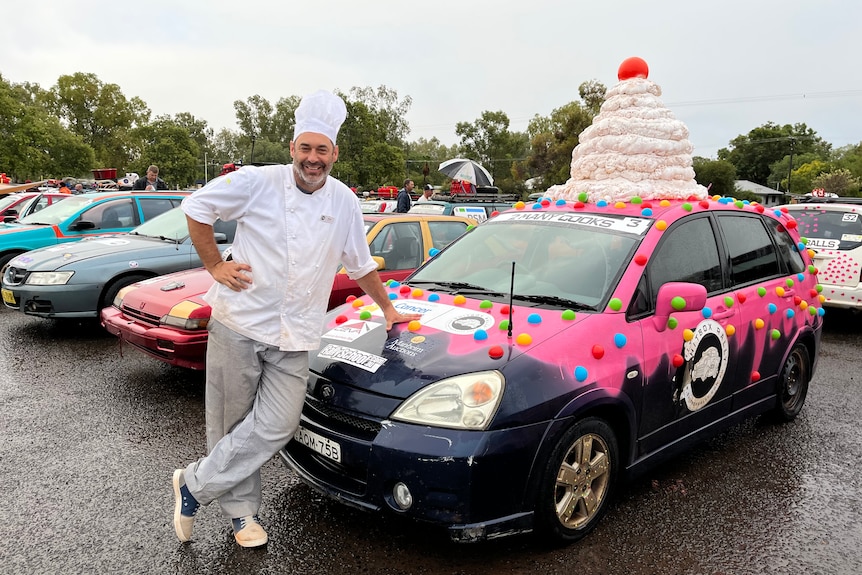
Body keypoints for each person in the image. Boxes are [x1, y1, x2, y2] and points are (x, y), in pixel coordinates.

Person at [172, 90, 421, 549]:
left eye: (321, 150)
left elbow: (360, 263)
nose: (312, 158)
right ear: (292, 149)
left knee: (279, 424)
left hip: (297, 333)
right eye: (305, 148)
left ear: (334, 153)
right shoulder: (257, 181)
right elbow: (196, 208)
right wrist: (214, 267)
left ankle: (194, 484)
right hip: (240, 322)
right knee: (232, 422)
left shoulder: (345, 200)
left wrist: (387, 309)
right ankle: (242, 517)